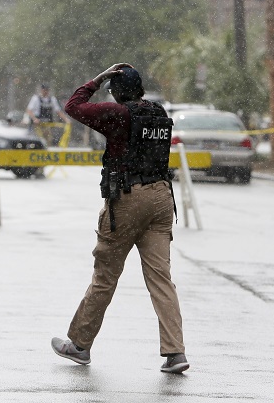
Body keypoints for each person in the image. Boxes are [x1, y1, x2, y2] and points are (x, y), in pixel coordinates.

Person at [51, 63, 189, 374]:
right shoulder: (159, 113)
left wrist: (96, 80)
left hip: (128, 200)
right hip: (162, 199)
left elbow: (74, 107)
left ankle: (80, 345)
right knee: (161, 280)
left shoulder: (118, 115)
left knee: (105, 278)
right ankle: (175, 352)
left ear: (116, 92)